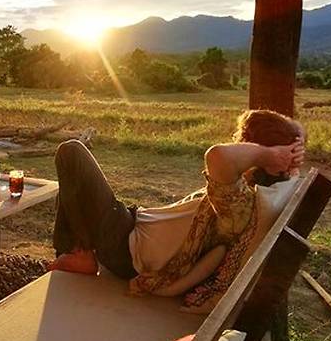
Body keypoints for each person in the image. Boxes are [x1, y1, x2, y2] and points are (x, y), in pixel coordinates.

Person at [49, 109, 305, 297]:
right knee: (74, 185)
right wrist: (282, 158)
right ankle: (74, 252)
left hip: (125, 248)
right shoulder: (249, 193)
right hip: (130, 229)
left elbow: (217, 155)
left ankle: (76, 253)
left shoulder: (239, 204)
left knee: (71, 153)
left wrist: (266, 154)